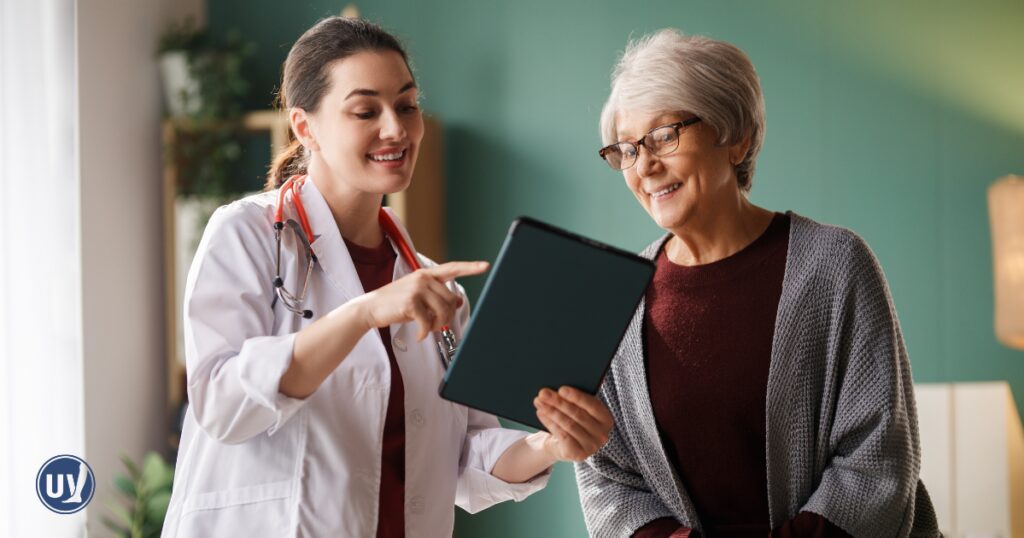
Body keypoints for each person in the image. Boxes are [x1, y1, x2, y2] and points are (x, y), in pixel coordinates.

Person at [162, 17, 612, 537]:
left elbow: (464, 462)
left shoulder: (434, 291)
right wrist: (366, 312)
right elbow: (222, 405)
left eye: (406, 104)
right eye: (365, 110)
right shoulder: (247, 235)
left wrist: (549, 445)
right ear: (305, 127)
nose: (396, 129)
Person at [574, 29, 940, 538]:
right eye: (628, 149)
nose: (647, 166)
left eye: (664, 135)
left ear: (735, 135)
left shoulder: (834, 265)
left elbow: (875, 464)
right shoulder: (621, 297)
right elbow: (608, 478)